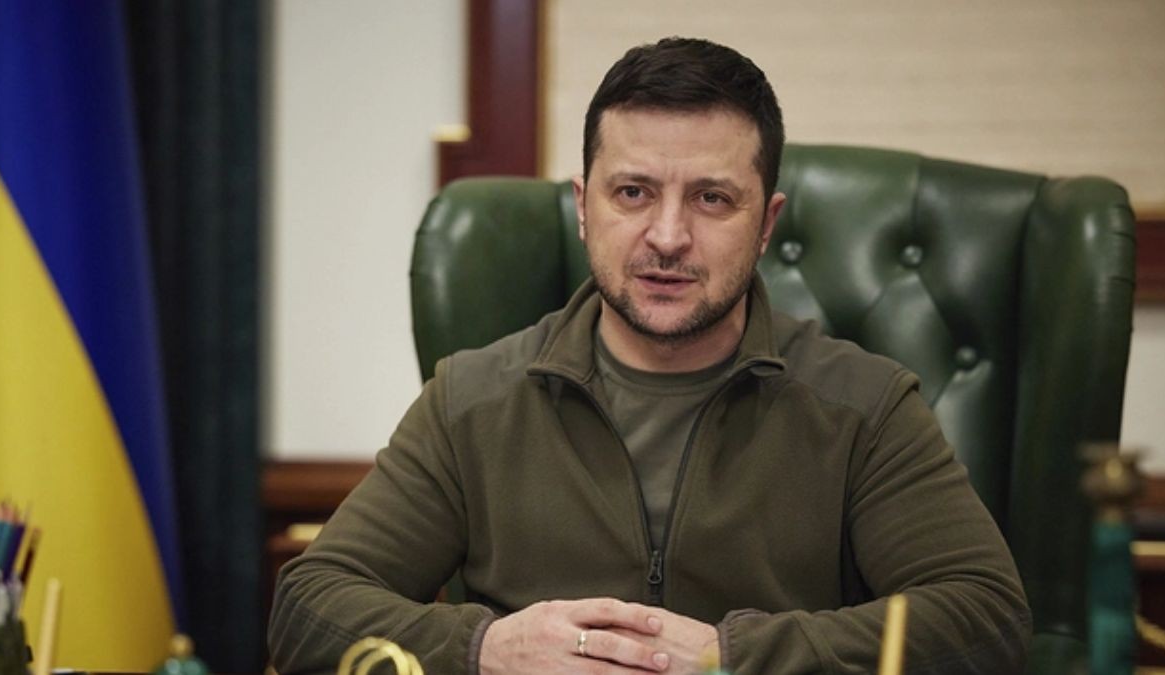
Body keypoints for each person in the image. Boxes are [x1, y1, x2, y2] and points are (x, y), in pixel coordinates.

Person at [269, 37, 1030, 674]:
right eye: (632, 192)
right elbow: (309, 607)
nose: (667, 237)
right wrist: (484, 648)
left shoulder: (864, 405)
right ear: (583, 208)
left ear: (766, 224)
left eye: (711, 198)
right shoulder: (471, 398)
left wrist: (732, 657)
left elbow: (987, 616)